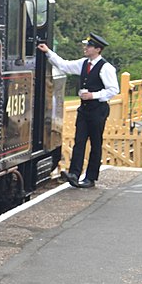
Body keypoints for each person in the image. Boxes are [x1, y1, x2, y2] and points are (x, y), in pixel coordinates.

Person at [38, 33, 119, 188]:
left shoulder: (106, 67)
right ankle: (74, 173)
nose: (85, 48)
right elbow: (64, 65)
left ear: (97, 49)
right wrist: (48, 52)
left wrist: (94, 95)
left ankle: (91, 177)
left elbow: (113, 89)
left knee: (95, 143)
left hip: (98, 109)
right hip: (84, 109)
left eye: (89, 46)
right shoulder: (83, 63)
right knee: (79, 141)